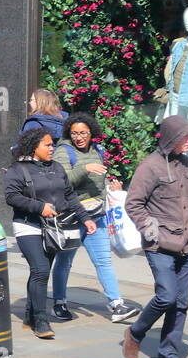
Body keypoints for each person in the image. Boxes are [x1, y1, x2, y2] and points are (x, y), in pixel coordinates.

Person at [122, 114, 188, 358]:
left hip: (187, 244)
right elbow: (133, 203)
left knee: (180, 303)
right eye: (186, 136)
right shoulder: (150, 166)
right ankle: (135, 333)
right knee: (166, 296)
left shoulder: (186, 163)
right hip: (160, 245)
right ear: (172, 138)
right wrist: (149, 228)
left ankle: (169, 356)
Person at [4, 127, 95, 340]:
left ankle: (29, 314)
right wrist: (39, 207)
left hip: (54, 228)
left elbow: (70, 196)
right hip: (28, 225)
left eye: (52, 144)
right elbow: (11, 197)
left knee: (40, 272)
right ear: (34, 147)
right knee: (41, 269)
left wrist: (85, 218)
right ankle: (41, 320)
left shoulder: (56, 168)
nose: (52, 148)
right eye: (47, 145)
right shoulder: (17, 169)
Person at [53, 112, 137, 323]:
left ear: (91, 133)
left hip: (96, 215)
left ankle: (117, 304)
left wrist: (111, 187)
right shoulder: (64, 152)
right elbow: (61, 182)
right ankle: (59, 302)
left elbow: (98, 183)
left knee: (103, 261)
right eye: (74, 133)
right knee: (64, 263)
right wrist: (84, 168)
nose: (78, 137)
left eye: (83, 133)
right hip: (71, 216)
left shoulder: (97, 150)